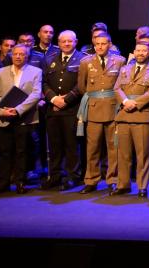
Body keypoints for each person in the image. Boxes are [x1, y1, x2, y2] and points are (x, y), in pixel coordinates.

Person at [0, 44, 42, 194]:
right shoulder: (1, 72)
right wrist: (1, 110)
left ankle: (20, 182)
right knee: (5, 152)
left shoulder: (36, 72)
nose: (18, 56)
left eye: (21, 54)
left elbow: (36, 94)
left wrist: (18, 110)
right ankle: (3, 183)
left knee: (21, 151)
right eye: (15, 54)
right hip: (4, 117)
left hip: (24, 117)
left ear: (27, 56)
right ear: (11, 56)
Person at [77, 32, 126, 194]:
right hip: (94, 108)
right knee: (92, 148)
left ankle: (112, 179)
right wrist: (96, 98)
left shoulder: (119, 61)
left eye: (103, 44)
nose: (100, 47)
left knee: (114, 147)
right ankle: (91, 180)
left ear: (109, 44)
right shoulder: (85, 62)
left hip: (113, 108)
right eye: (97, 44)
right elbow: (82, 86)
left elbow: (122, 85)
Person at [112, 42, 149, 197]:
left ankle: (142, 186)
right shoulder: (124, 69)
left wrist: (135, 103)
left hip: (143, 115)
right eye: (138, 50)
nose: (140, 53)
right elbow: (117, 88)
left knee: (143, 154)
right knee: (123, 154)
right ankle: (123, 185)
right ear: (134, 52)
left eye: (144, 51)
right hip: (124, 114)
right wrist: (126, 102)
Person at [41, 30, 84, 190]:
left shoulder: (83, 59)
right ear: (58, 43)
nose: (67, 44)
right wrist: (53, 99)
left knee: (71, 145)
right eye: (63, 41)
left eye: (70, 41)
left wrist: (66, 100)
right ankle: (55, 176)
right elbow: (43, 82)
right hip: (53, 109)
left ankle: (73, 177)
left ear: (76, 41)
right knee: (54, 146)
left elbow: (82, 84)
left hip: (72, 109)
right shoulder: (49, 58)